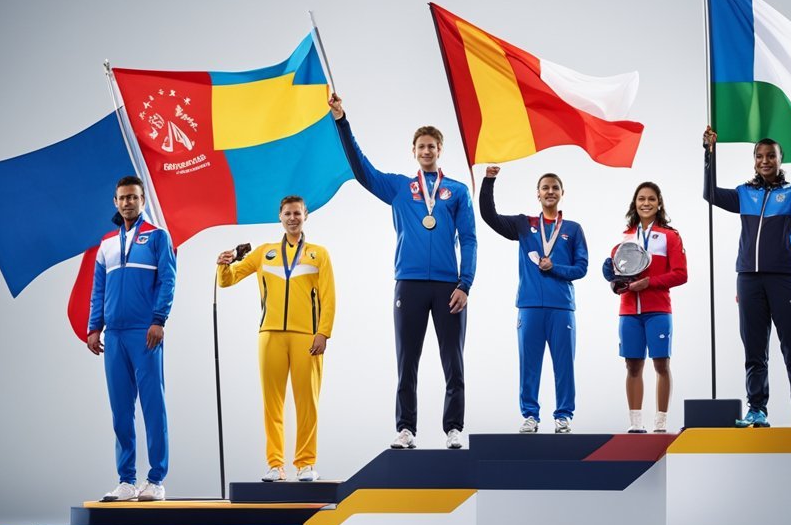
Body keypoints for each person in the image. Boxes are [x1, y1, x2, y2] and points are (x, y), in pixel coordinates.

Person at [329, 93, 476, 450]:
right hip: (408, 284)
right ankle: (406, 429)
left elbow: (469, 239)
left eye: (432, 146)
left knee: (453, 362)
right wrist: (342, 121)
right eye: (421, 147)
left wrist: (465, 284)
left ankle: (454, 428)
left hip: (447, 287)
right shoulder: (398, 187)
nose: (427, 151)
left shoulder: (456, 191)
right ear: (414, 151)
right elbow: (362, 169)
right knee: (406, 360)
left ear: (440, 149)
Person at [702, 128, 791, 428]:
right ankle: (757, 409)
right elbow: (711, 194)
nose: (764, 160)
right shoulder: (745, 193)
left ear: (781, 160)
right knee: (755, 349)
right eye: (759, 156)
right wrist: (709, 152)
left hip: (783, 278)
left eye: (771, 156)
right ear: (754, 160)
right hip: (748, 278)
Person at [217, 195, 335, 482]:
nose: (293, 218)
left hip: (307, 337)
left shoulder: (319, 254)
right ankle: (275, 464)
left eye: (297, 213)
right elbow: (227, 280)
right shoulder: (263, 253)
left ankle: (306, 464)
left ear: (306, 215)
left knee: (307, 402)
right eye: (287, 214)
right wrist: (223, 264)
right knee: (273, 403)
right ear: (280, 217)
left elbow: (329, 297)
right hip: (269, 336)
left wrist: (323, 332)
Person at [87, 176, 176, 502]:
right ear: (115, 201)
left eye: (134, 197)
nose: (128, 202)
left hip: (145, 332)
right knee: (121, 411)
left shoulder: (157, 237)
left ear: (142, 201)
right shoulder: (106, 244)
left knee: (154, 407)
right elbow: (98, 290)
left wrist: (158, 320)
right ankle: (126, 481)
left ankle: (155, 480)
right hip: (115, 335)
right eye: (122, 198)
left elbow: (168, 280)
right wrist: (94, 327)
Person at [480, 166, 589, 433]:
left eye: (555, 187)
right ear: (537, 194)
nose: (550, 191)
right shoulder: (523, 224)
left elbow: (582, 268)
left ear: (562, 193)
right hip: (529, 306)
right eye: (545, 187)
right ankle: (530, 415)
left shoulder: (573, 229)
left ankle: (563, 415)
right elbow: (488, 215)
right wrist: (489, 180)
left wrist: (556, 268)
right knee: (529, 364)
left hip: (561, 307)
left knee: (564, 365)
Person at [602, 182, 688, 433]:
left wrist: (650, 283)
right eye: (641, 199)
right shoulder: (624, 238)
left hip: (658, 309)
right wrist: (614, 282)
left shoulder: (670, 236)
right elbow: (620, 280)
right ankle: (635, 423)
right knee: (633, 365)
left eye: (651, 199)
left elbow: (681, 274)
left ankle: (660, 423)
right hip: (629, 311)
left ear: (659, 203)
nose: (646, 203)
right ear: (635, 203)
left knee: (661, 364)